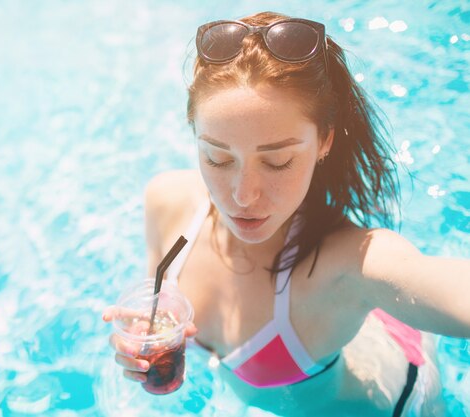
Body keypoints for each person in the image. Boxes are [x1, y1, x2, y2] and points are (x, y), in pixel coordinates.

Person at [102, 11, 470, 416]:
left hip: (398, 396)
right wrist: (144, 338)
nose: (243, 195)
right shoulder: (167, 201)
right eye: (217, 157)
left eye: (277, 161)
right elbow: (161, 306)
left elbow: (437, 285)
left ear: (324, 140)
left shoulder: (345, 267)